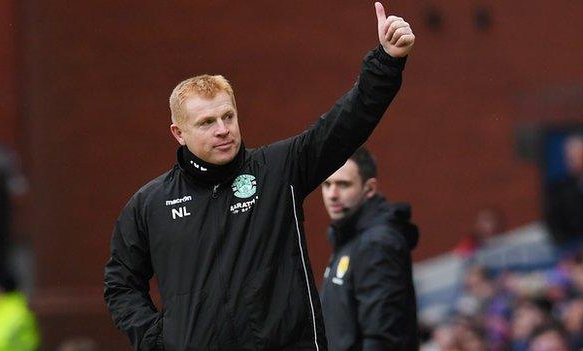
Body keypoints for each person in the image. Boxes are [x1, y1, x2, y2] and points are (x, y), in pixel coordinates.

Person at [103, 3, 415, 350]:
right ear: (179, 133)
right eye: (207, 122)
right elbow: (120, 284)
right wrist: (157, 339)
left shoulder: (279, 169)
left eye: (228, 117)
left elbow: (346, 124)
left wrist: (386, 60)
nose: (223, 130)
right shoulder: (150, 204)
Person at [319, 147, 419, 350]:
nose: (332, 194)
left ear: (370, 188)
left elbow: (382, 338)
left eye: (343, 185)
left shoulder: (377, 244)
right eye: (327, 184)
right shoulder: (349, 238)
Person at [546, 134, 583, 244]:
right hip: (571, 249)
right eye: (569, 158)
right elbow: (553, 221)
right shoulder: (559, 188)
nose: (571, 162)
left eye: (576, 157)